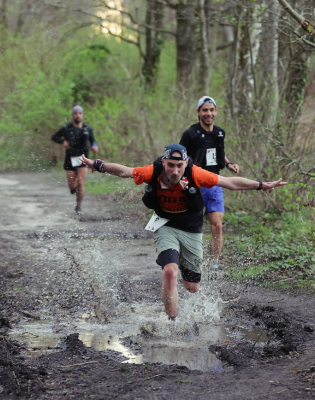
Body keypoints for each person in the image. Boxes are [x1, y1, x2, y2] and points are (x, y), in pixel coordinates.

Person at [80, 143, 286, 320]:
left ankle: (178, 268)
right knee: (170, 272)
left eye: (180, 166)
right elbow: (125, 171)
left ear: (186, 163)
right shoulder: (153, 171)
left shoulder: (195, 173)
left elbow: (230, 182)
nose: (175, 171)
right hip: (165, 224)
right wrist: (98, 165)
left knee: (192, 287)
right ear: (164, 162)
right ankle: (172, 323)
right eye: (170, 165)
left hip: (192, 228)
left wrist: (260, 185)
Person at [180, 96, 239, 270]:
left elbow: (217, 152)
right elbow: (179, 158)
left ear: (216, 112)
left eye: (212, 110)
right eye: (205, 110)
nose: (209, 113)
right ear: (198, 112)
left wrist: (228, 164)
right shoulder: (190, 134)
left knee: (217, 225)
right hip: (195, 185)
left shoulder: (219, 132)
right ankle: (188, 259)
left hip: (215, 183)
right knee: (192, 225)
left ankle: (214, 263)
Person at [51, 105, 98, 214]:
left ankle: (78, 206)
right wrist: (63, 142)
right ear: (73, 115)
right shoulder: (66, 128)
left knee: (81, 182)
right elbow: (54, 137)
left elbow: (93, 140)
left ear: (82, 115)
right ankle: (74, 189)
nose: (78, 115)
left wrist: (95, 146)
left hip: (83, 158)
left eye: (80, 113)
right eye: (75, 113)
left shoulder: (87, 129)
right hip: (70, 158)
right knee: (72, 185)